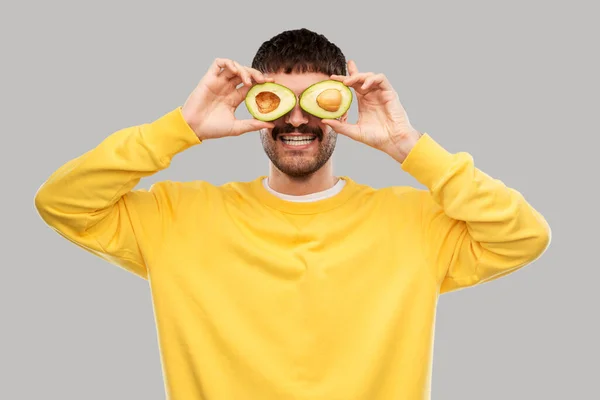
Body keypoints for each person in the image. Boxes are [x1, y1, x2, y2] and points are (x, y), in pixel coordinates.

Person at [34, 28, 551, 400]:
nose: (296, 118)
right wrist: (181, 127)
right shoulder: (176, 216)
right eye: (276, 101)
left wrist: (407, 146)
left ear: (342, 110)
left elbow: (524, 237)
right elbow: (61, 201)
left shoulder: (416, 223)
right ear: (254, 106)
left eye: (317, 101)